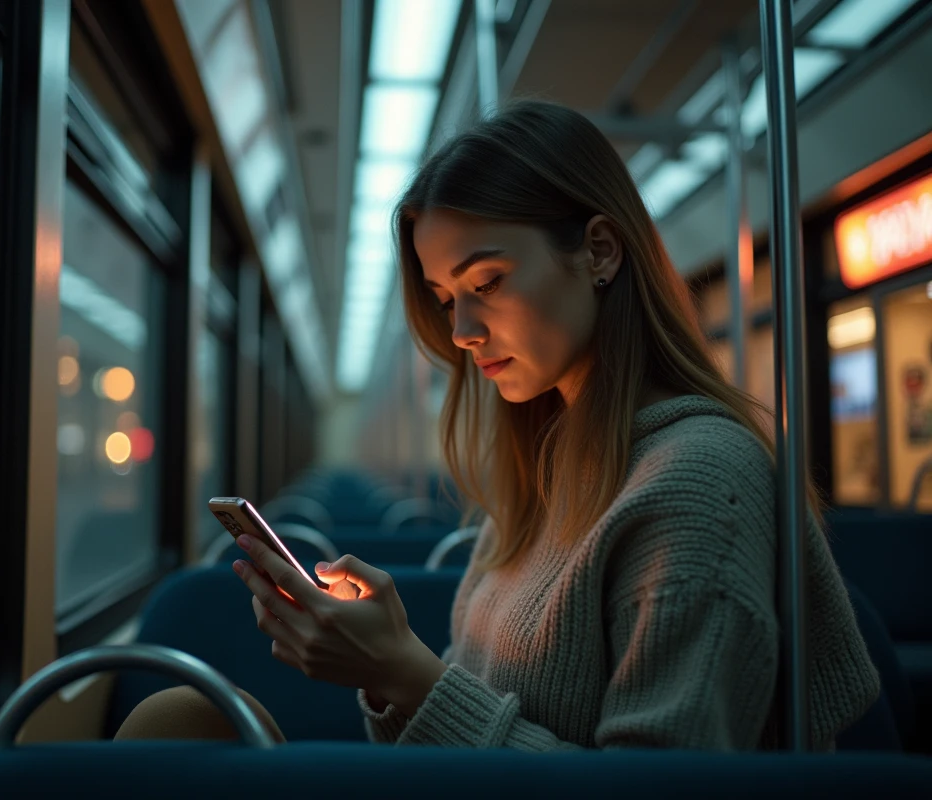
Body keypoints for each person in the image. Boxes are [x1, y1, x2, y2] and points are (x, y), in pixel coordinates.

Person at [115, 99, 879, 750]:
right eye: (448, 300)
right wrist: (392, 670)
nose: (462, 332)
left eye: (488, 281)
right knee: (177, 719)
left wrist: (403, 670)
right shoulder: (545, 473)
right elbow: (464, 717)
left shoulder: (700, 484)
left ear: (599, 252)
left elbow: (654, 789)